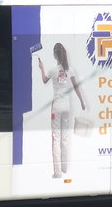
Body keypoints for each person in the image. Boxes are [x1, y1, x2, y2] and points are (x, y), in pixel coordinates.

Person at [37, 43, 87, 178]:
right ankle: (64, 167)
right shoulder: (70, 69)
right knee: (65, 137)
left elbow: (44, 81)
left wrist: (41, 68)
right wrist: (82, 102)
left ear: (54, 55)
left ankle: (57, 172)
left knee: (56, 138)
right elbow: (76, 87)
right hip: (67, 107)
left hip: (56, 107)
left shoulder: (52, 70)